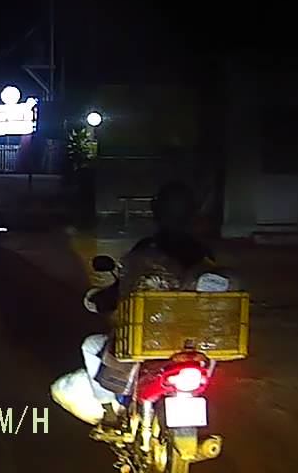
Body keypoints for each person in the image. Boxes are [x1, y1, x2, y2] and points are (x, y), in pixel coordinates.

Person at [51, 181, 217, 424]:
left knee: (93, 345)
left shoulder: (147, 250)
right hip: (193, 339)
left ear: (156, 212)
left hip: (151, 337)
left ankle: (109, 413)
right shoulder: (203, 252)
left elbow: (125, 286)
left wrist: (102, 299)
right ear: (192, 214)